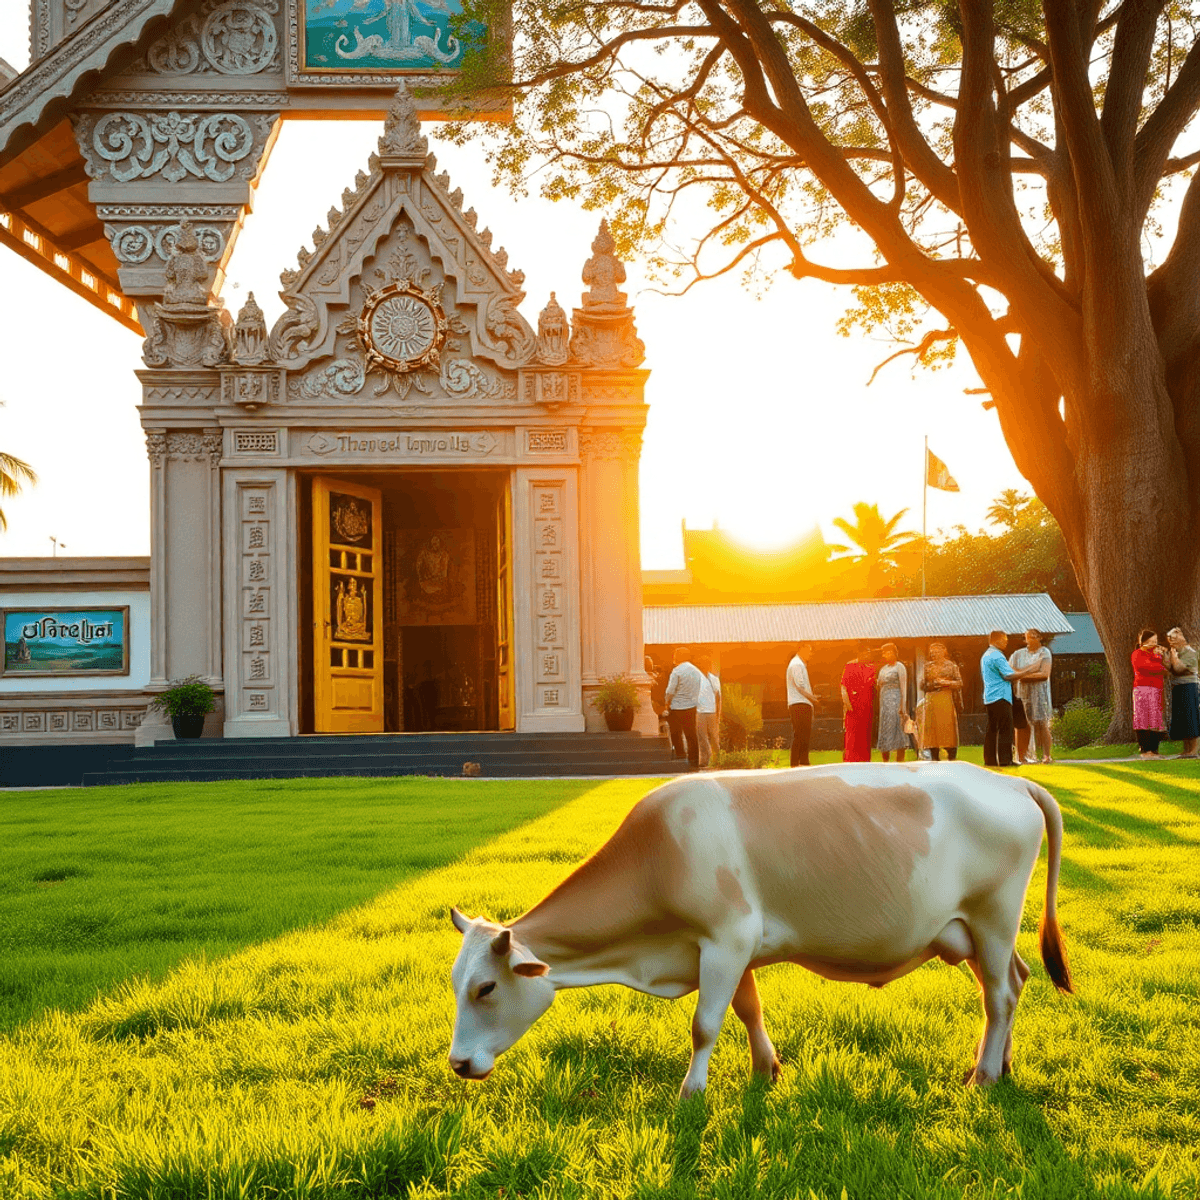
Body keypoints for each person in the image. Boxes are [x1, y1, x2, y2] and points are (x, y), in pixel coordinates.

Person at [981, 631, 1032, 768]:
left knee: (992, 729)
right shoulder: (997, 655)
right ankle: (1005, 760)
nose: (1006, 643)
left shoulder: (986, 655)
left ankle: (990, 760)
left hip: (989, 696)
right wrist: (1025, 672)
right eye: (1004, 640)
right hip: (1001, 696)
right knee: (1006, 729)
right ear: (996, 640)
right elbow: (1008, 675)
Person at [1010, 629, 1054, 764]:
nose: (1030, 639)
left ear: (1040, 637)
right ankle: (1021, 757)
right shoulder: (1017, 654)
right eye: (1027, 637)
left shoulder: (1044, 653)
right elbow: (1010, 672)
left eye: (1034, 636)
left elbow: (1044, 674)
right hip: (1022, 694)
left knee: (1041, 723)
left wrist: (1021, 675)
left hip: (1040, 694)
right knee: (1022, 725)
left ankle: (1046, 756)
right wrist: (1031, 671)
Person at [918, 642, 963, 760]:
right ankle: (934, 755)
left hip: (946, 699)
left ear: (944, 652)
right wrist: (932, 684)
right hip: (931, 699)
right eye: (932, 652)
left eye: (937, 652)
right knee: (932, 729)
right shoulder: (927, 666)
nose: (934, 654)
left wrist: (946, 683)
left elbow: (959, 683)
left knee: (948, 727)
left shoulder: (951, 666)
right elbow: (922, 684)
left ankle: (951, 755)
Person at [1132, 629, 1169, 758]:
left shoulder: (1157, 655)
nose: (1154, 644)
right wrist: (1157, 661)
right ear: (1143, 642)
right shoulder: (1137, 654)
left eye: (1155, 641)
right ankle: (1145, 750)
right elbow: (1148, 667)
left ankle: (1154, 750)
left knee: (1156, 718)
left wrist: (1161, 656)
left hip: (1157, 689)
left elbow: (1166, 668)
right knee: (1143, 718)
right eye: (1150, 641)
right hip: (1142, 689)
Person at [664, 646, 702, 770]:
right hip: (691, 706)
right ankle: (694, 760)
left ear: (678, 657)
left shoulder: (677, 671)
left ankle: (681, 756)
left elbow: (670, 691)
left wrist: (667, 704)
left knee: (676, 733)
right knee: (691, 734)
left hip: (676, 707)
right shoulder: (696, 671)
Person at [1166, 627, 1200, 758]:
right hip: (1178, 687)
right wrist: (1167, 657)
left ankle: (1193, 751)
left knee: (1191, 718)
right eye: (1169, 639)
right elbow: (1169, 669)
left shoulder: (1190, 652)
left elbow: (1179, 669)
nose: (1171, 642)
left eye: (1173, 638)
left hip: (1189, 687)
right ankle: (1186, 750)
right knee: (1183, 720)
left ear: (1182, 637)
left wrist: (1173, 657)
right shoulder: (1176, 652)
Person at [840, 641, 876, 762]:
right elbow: (843, 687)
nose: (868, 656)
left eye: (869, 654)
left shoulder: (871, 668)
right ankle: (850, 760)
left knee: (865, 735)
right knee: (852, 735)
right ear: (860, 654)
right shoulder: (850, 666)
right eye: (866, 653)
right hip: (853, 706)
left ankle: (865, 761)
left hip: (867, 707)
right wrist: (847, 704)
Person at [875, 643, 909, 762]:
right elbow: (878, 684)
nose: (887, 655)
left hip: (896, 700)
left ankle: (900, 760)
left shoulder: (899, 666)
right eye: (885, 653)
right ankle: (885, 760)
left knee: (897, 727)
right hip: (884, 702)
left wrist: (902, 706)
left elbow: (903, 686)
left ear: (895, 653)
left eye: (889, 652)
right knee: (885, 728)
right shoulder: (883, 669)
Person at [786, 641, 817, 766]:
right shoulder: (797, 664)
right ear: (802, 649)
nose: (810, 654)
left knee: (804, 733)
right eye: (809, 650)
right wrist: (813, 698)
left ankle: (803, 761)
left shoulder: (800, 664)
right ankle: (795, 762)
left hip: (802, 702)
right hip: (799, 702)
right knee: (800, 733)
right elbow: (800, 687)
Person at [695, 652, 722, 768]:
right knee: (702, 737)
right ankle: (705, 759)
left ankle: (718, 759)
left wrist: (719, 714)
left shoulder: (714, 679)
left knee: (715, 737)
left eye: (708, 664)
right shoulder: (696, 679)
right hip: (699, 711)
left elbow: (718, 697)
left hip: (712, 711)